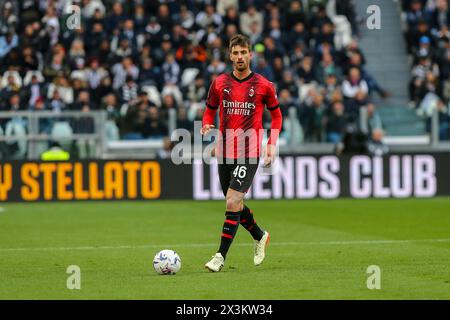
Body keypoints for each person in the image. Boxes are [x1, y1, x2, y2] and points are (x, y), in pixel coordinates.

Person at [200, 34, 283, 272]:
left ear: (250, 54)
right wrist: (206, 124)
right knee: (234, 202)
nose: (239, 57)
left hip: (250, 150)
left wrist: (271, 143)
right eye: (235, 53)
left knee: (232, 200)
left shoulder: (264, 85)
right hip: (225, 150)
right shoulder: (219, 83)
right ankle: (260, 235)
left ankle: (220, 256)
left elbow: (276, 116)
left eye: (243, 52)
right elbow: (209, 110)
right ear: (230, 55)